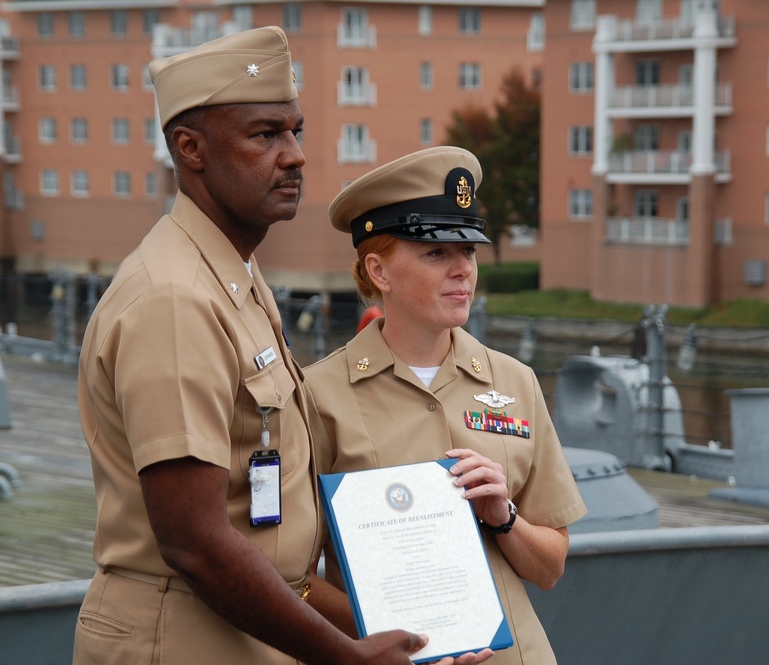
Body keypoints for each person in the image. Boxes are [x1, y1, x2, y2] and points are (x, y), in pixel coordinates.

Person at [72, 27, 465, 665]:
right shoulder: (176, 297)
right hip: (181, 639)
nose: (295, 156)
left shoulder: (234, 275)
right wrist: (345, 657)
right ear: (190, 148)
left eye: (295, 132)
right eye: (264, 135)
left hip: (255, 625)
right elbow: (194, 540)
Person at [305, 146, 588, 664]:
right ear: (379, 271)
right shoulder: (317, 397)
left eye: (470, 252)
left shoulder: (515, 382)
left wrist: (504, 517)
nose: (463, 269)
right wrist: (398, 638)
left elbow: (550, 567)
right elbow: (294, 579)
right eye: (437, 253)